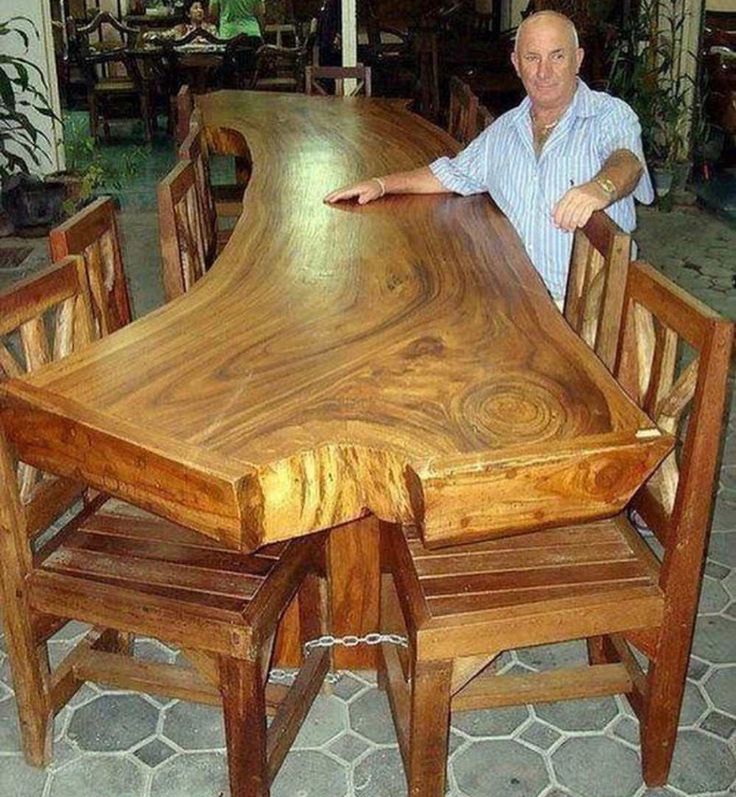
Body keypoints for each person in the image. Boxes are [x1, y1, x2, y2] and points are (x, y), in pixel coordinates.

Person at [324, 10, 654, 306]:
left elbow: (628, 162)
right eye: (532, 58)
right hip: (519, 298)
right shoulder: (505, 130)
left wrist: (601, 187)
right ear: (516, 64)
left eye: (557, 56)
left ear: (578, 59)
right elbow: (450, 173)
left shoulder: (608, 115)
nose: (544, 71)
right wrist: (381, 184)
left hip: (594, 307)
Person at [144, 1, 217, 41]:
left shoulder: (210, 28)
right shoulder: (180, 29)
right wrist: (150, 35)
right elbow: (163, 36)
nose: (199, 11)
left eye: (201, 8)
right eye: (196, 8)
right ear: (188, 13)